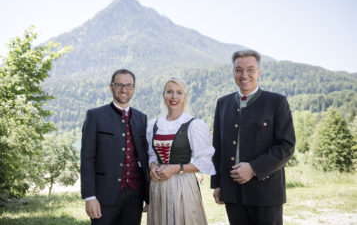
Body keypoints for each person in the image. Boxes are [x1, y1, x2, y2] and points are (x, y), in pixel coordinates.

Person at [210, 50, 295, 225]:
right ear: (233, 72)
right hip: (233, 192)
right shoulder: (223, 103)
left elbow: (286, 146)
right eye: (239, 70)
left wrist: (253, 168)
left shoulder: (276, 102)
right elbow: (217, 146)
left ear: (258, 72)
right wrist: (218, 184)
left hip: (266, 193)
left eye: (250, 69)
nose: (244, 75)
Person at [80, 69, 150, 225]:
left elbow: (144, 158)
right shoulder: (95, 116)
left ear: (134, 89)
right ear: (111, 87)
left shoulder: (141, 118)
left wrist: (148, 196)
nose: (124, 89)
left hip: (135, 195)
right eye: (119, 85)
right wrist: (90, 196)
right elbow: (87, 158)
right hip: (104, 196)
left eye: (128, 85)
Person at [146, 76, 216, 225]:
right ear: (163, 95)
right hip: (158, 186)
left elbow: (204, 162)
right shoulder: (154, 125)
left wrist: (177, 168)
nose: (174, 96)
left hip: (182, 185)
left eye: (179, 92)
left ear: (185, 97)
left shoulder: (193, 125)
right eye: (169, 92)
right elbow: (152, 154)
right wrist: (152, 166)